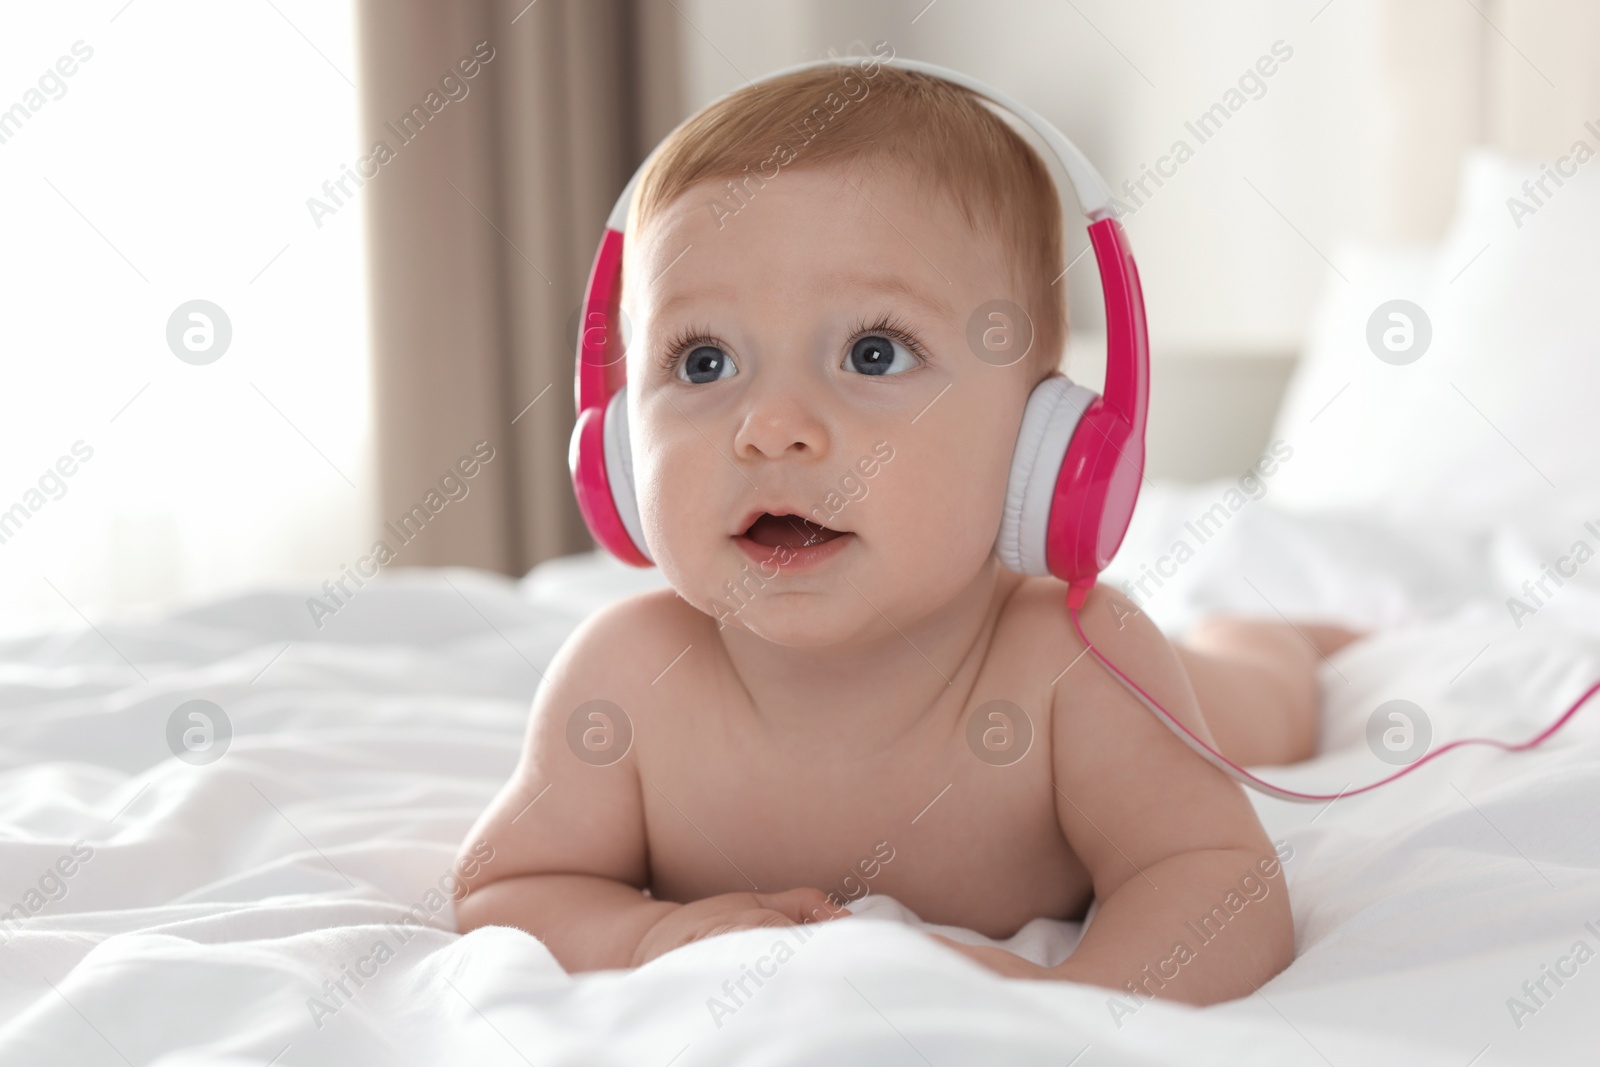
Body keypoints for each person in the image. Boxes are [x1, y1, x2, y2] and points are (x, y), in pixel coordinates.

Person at [453, 57, 1360, 1006]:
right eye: (704, 358)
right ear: (615, 449)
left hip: (1198, 687)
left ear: (1036, 443)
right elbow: (506, 888)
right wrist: (650, 934)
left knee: (1252, 698)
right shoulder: (626, 680)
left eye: (872, 352)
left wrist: (1078, 1000)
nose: (771, 427)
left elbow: (1220, 882)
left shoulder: (1072, 667)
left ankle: (1278, 638)